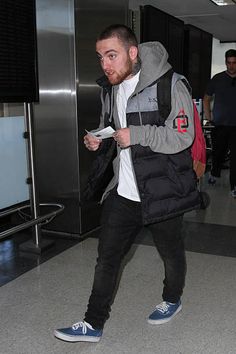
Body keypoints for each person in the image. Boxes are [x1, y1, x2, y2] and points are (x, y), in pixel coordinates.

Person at [54, 24, 200, 343]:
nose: (105, 64)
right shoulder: (111, 87)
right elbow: (113, 126)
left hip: (163, 190)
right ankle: (93, 323)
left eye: (112, 55)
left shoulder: (170, 84)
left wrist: (138, 135)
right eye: (100, 57)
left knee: (171, 253)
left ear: (132, 53)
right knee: (107, 256)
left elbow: (182, 135)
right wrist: (100, 140)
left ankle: (172, 299)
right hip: (124, 191)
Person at [203, 49, 236, 197]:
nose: (231, 66)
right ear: (225, 63)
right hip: (220, 124)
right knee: (218, 154)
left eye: (234, 63)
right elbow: (206, 98)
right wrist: (209, 117)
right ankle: (214, 174)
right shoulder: (217, 79)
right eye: (229, 63)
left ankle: (234, 186)